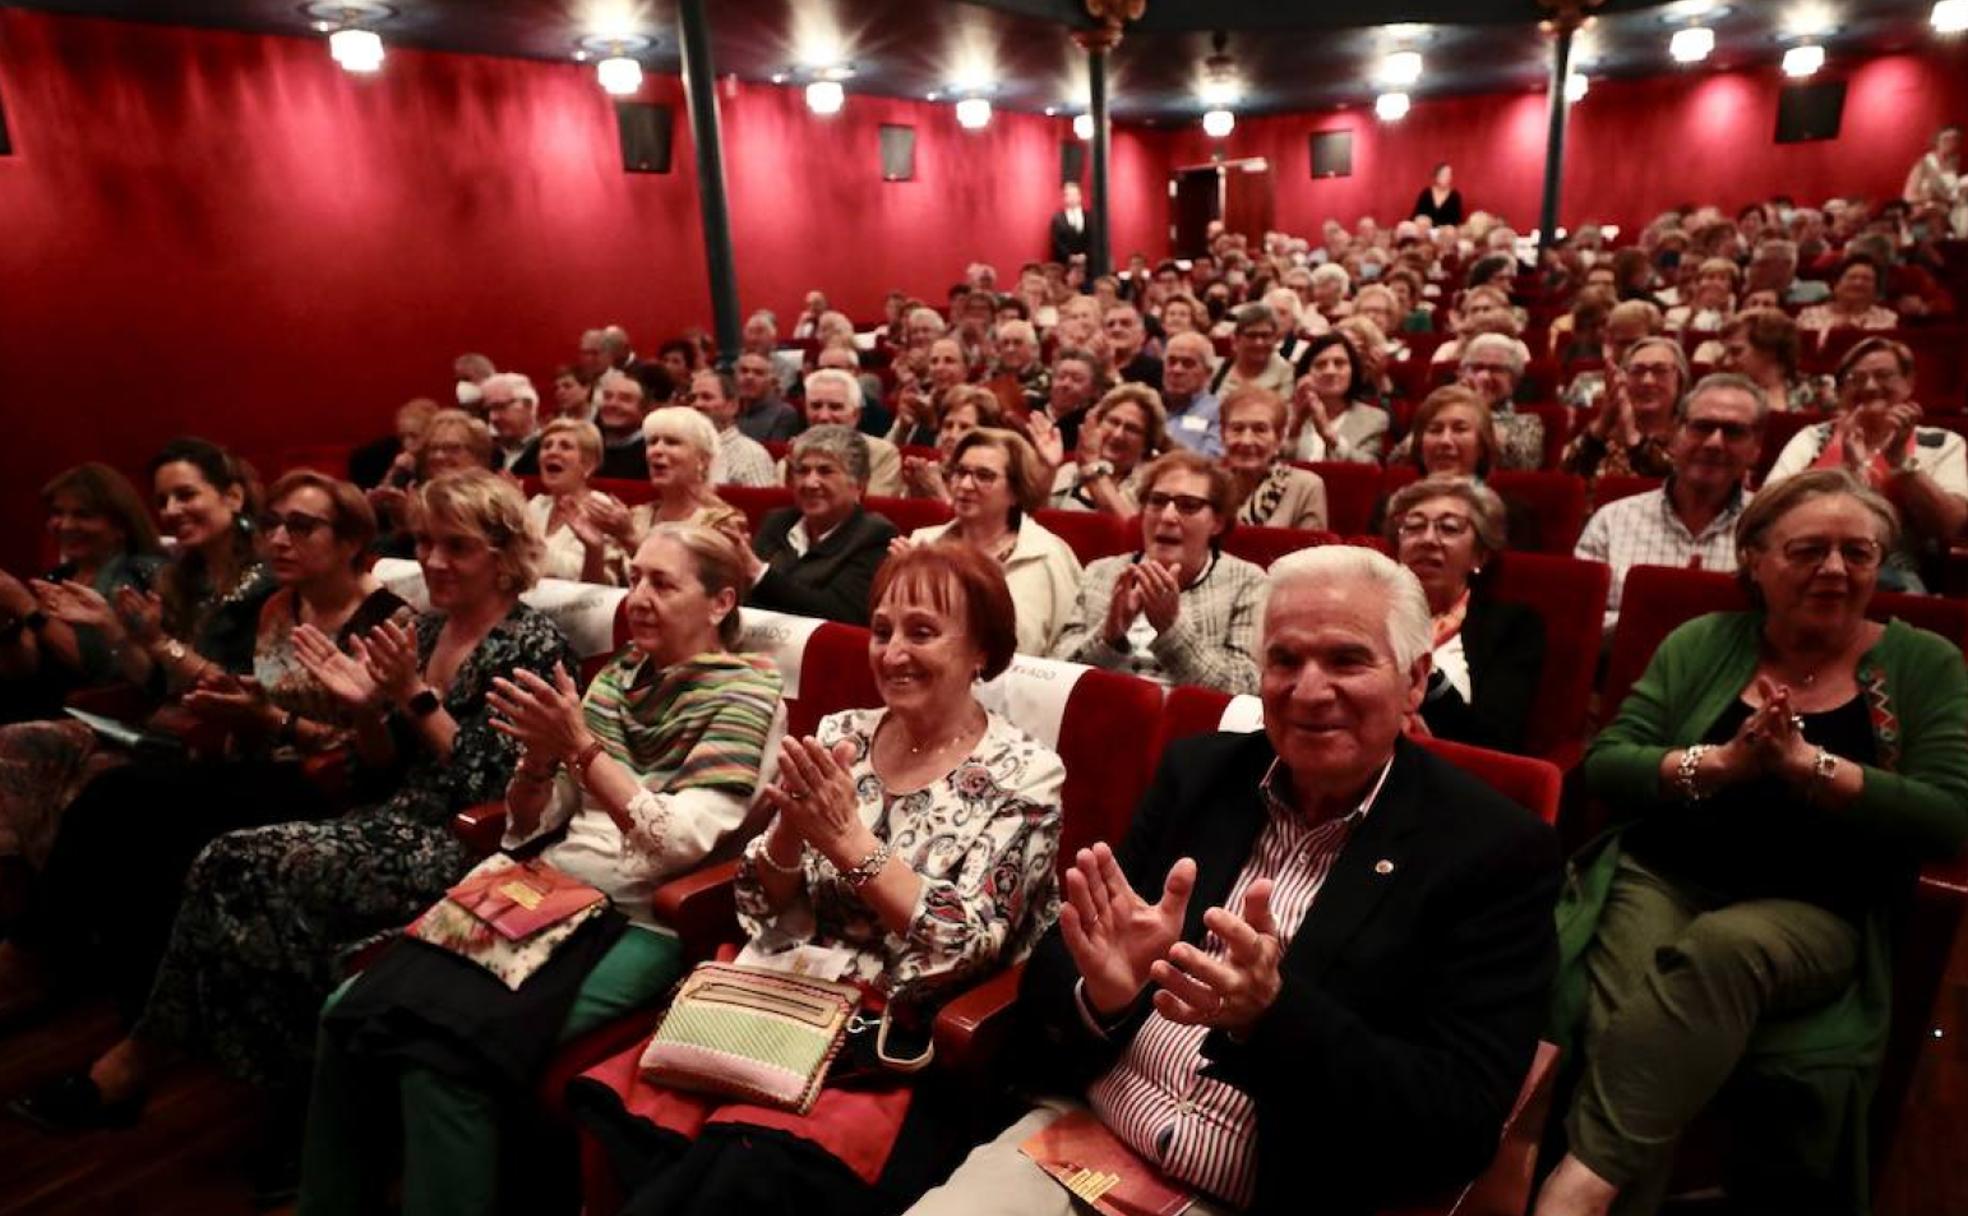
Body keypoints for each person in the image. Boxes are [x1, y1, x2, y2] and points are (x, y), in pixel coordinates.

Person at [913, 545, 1560, 1216]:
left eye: (1346, 660)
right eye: (1284, 660)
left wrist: (1272, 1018)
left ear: (1415, 679)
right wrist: (1105, 995)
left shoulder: (1495, 851)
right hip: (1081, 1146)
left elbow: (1456, 1125)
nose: (1308, 691)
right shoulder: (1199, 774)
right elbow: (1065, 959)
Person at [5, 471, 575, 1156]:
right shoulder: (421, 630)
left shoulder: (532, 644)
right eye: (425, 542)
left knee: (245, 864)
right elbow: (374, 767)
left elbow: (488, 786)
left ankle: (193, 1072)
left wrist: (415, 698)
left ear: (505, 553)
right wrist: (367, 710)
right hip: (387, 815)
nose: (433, 561)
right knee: (226, 860)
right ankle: (247, 1078)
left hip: (461, 843)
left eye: (457, 546)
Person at [298, 524, 785, 1216]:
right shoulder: (618, 677)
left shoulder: (746, 697)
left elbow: (677, 843)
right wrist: (537, 760)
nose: (639, 597)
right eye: (636, 577)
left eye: (663, 583)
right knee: (346, 1012)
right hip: (546, 887)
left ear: (720, 601)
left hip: (637, 917)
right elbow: (535, 822)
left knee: (442, 1058)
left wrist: (581, 749)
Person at [572, 542, 1066, 1215]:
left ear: (983, 650)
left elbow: (966, 946)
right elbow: (754, 901)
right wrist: (789, 832)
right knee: (635, 1126)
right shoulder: (844, 736)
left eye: (922, 633)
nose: (892, 654)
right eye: (883, 630)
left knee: (740, 1168)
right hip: (778, 996)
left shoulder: (1026, 773)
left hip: (898, 1038)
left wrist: (849, 843)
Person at [1539, 469, 1968, 1216]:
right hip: (1665, 875)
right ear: (1757, 560)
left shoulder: (1925, 662)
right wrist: (1726, 765)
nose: (1835, 570)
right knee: (1621, 1012)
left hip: (1818, 904)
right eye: (1808, 550)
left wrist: (1814, 768)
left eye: (1858, 553)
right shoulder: (1703, 641)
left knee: (1722, 949)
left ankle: (1576, 1190)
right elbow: (1612, 760)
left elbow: (1948, 817)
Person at [0, 472, 410, 1036]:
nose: (280, 540)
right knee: (117, 802)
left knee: (130, 800)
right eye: (272, 526)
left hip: (334, 786)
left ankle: (53, 968)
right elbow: (257, 693)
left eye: (301, 527)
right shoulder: (280, 607)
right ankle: (109, 990)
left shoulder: (390, 620)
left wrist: (271, 720)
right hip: (260, 761)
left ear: (350, 542)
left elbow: (377, 754)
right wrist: (190, 672)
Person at [1052, 451, 1266, 694]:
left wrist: (1172, 629)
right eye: (1157, 501)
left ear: (1217, 522)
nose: (1167, 516)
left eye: (1188, 506)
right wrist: (1108, 635)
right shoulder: (1102, 573)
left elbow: (1245, 691)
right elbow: (1057, 674)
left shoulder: (1246, 582)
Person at [1764, 337, 1968, 591]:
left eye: (1884, 376)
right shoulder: (1814, 438)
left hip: (1902, 578)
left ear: (1908, 383)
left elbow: (1951, 525)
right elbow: (1767, 509)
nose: (1870, 387)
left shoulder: (1940, 443)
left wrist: (1901, 464)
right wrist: (1846, 471)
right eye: (1856, 379)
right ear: (1840, 392)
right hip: (1809, 563)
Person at [1575, 374, 1766, 635]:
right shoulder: (1612, 520)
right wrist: (1664, 618)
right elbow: (1580, 620)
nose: (1714, 443)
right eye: (1702, 427)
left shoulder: (1772, 528)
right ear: (1676, 434)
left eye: (1733, 432)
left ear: (1756, 447)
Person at [1386, 476, 1545, 753]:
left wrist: (1423, 674)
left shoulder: (1514, 626)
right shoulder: (1370, 614)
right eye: (1414, 526)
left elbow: (1494, 740)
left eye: (1449, 528)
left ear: (1479, 556)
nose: (1428, 539)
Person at [0, 463, 165, 719]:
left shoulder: (138, 574)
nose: (65, 525)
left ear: (120, 526)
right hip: (34, 709)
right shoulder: (57, 577)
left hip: (96, 718)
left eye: (83, 515)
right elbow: (24, 668)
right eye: (57, 513)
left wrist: (26, 607)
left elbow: (99, 667)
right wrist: (7, 624)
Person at [899, 429, 1081, 656]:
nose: (965, 485)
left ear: (1016, 490)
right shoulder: (922, 543)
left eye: (984, 476)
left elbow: (1065, 650)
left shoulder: (1047, 556)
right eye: (960, 472)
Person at [743, 426, 899, 625]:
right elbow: (746, 598)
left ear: (859, 484)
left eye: (825, 471)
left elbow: (840, 612)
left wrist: (759, 574)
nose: (810, 483)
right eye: (803, 471)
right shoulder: (777, 522)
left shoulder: (875, 536)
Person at [596, 407, 743, 555]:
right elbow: (600, 579)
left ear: (703, 460)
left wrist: (630, 538)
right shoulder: (636, 517)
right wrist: (593, 546)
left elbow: (684, 575)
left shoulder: (723, 523)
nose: (656, 450)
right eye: (652, 442)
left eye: (672, 442)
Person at [1560, 338, 1687, 481]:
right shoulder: (1600, 438)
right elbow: (1564, 482)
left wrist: (1633, 438)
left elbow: (1677, 486)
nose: (1647, 381)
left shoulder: (1691, 436)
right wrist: (1602, 424)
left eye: (1660, 371)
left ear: (1680, 381)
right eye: (1637, 371)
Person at [523, 418, 628, 585]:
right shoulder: (537, 505)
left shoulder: (602, 510)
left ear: (588, 465)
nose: (552, 452)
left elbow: (601, 583)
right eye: (546, 446)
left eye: (565, 446)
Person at [1039, 383, 1167, 516]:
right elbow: (1034, 519)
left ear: (1147, 443)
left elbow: (1130, 531)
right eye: (1113, 422)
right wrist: (1047, 469)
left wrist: (1092, 466)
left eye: (1132, 429)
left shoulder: (1151, 487)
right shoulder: (1067, 471)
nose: (1118, 435)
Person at [1222, 389, 1328, 531]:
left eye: (1260, 429)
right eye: (1237, 429)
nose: (1246, 441)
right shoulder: (1209, 484)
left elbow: (1312, 552)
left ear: (1279, 438)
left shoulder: (1306, 487)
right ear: (1223, 435)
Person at [787, 368, 902, 496]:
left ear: (856, 415)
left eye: (835, 407)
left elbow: (874, 506)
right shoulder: (794, 452)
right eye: (816, 406)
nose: (824, 416)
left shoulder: (882, 453)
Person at [1286, 333, 1390, 464]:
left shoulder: (1374, 419)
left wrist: (1329, 435)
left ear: (1353, 372)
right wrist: (1296, 427)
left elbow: (1369, 469)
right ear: (1305, 374)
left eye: (1339, 363)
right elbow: (1267, 463)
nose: (1330, 371)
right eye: (1320, 365)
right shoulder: (1285, 415)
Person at [1711, 308, 1835, 413]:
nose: (1727, 361)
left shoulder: (1818, 392)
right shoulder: (1718, 393)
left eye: (1736, 352)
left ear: (1769, 350)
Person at [1456, 334, 1545, 471]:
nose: (1484, 377)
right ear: (1462, 374)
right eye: (1477, 368)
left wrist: (1478, 407)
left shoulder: (1527, 423)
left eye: (1496, 369)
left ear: (1514, 379)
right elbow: (1412, 450)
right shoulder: (1439, 414)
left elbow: (1523, 464)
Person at [900, 386, 1003, 504]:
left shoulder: (992, 481)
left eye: (964, 427)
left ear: (986, 436)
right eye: (948, 426)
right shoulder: (929, 473)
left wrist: (938, 493)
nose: (952, 435)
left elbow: (973, 521)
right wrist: (913, 491)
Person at [687, 369, 776, 489]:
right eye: (692, 398)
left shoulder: (751, 456)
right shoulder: (681, 450)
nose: (697, 404)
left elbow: (761, 506)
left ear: (732, 406)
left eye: (706, 397)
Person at [1209, 304, 1296, 400]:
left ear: (1275, 338)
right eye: (1252, 335)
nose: (1259, 343)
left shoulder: (1285, 373)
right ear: (1236, 339)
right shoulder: (1218, 370)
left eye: (1265, 335)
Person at [1160, 332, 1222, 457]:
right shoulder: (1149, 407)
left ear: (1208, 373)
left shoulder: (1219, 413)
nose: (1177, 370)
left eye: (1188, 364)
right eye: (1171, 362)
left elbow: (1211, 464)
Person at [1797, 257, 1898, 334]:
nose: (1858, 283)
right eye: (1851, 277)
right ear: (1836, 285)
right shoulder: (1809, 316)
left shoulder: (1888, 319)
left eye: (1867, 279)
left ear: (1876, 288)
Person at [1901, 124, 1964, 237]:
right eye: (1946, 139)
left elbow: (1954, 193)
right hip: (1925, 218)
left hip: (1950, 214)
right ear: (1937, 141)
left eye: (1955, 139)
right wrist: (1929, 197)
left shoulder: (1956, 163)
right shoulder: (1924, 164)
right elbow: (1908, 196)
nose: (1951, 143)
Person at [593, 371, 654, 481]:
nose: (612, 404)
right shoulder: (588, 448)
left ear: (644, 410)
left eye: (625, 399)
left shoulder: (652, 455)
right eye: (607, 397)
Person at [733, 350, 803, 444]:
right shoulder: (727, 410)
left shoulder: (784, 413)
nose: (749, 377)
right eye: (744, 371)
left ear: (772, 381)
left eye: (758, 373)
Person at [480, 373, 543, 474]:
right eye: (489, 410)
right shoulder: (485, 453)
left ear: (528, 405)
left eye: (500, 407)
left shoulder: (550, 451)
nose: (493, 417)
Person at [1105, 303, 1162, 387]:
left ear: (1143, 335)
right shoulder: (1094, 368)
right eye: (1110, 325)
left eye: (1125, 324)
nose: (1116, 329)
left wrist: (1114, 375)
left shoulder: (1157, 369)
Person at [1050, 180, 1091, 265]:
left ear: (1080, 196)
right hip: (1064, 264)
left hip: (1088, 264)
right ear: (1064, 198)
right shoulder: (1058, 219)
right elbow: (1057, 241)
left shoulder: (1090, 217)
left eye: (1074, 194)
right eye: (1069, 195)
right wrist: (1070, 257)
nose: (1072, 198)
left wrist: (1085, 255)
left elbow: (1094, 239)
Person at [1413, 161, 1465, 226]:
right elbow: (1416, 215)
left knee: (1450, 232)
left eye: (1449, 174)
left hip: (1445, 230)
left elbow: (1457, 220)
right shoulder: (1426, 193)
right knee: (1404, 227)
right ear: (1436, 176)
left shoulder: (1455, 195)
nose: (1448, 177)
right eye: (1444, 175)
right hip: (1425, 228)